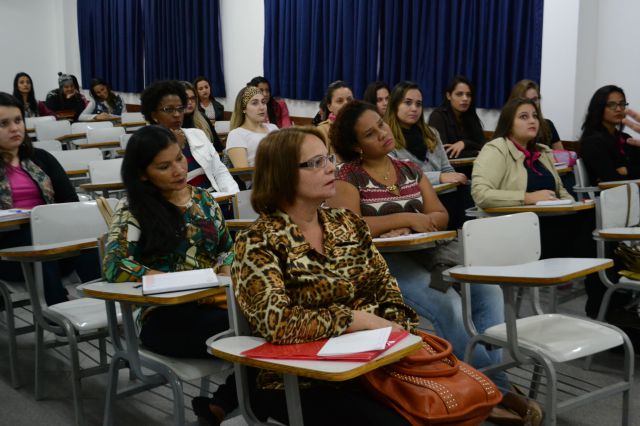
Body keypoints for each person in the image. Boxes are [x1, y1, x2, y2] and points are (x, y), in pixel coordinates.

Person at [327, 100, 540, 425]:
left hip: (431, 256)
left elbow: (439, 214)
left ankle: (487, 383)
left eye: (381, 124)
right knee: (448, 306)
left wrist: (419, 223)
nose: (382, 133)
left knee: (488, 292)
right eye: (370, 133)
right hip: (385, 265)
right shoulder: (348, 176)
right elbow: (351, 225)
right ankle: (498, 390)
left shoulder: (408, 168)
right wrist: (405, 219)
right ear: (356, 145)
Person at [230, 126, 420, 425]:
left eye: (328, 158)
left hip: (373, 362)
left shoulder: (347, 222)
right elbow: (277, 323)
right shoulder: (258, 241)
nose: (332, 168)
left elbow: (386, 286)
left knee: (441, 407)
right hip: (300, 380)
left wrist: (396, 328)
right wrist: (356, 320)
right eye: (316, 163)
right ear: (283, 174)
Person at [102, 125, 234, 358]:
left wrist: (226, 270)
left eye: (180, 158)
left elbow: (227, 248)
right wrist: (176, 282)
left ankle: (240, 382)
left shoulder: (203, 199)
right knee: (237, 327)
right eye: (164, 167)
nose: (179, 170)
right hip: (162, 312)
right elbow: (115, 264)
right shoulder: (133, 209)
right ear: (143, 174)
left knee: (250, 320)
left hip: (211, 300)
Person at [0, 92, 99, 305]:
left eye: (18, 120)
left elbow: (70, 202)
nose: (14, 128)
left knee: (87, 235)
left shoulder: (42, 158)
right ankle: (56, 308)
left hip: (57, 245)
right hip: (8, 254)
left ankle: (104, 301)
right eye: (4, 124)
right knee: (34, 235)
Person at [386, 81, 471, 229]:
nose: (414, 108)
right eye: (408, 103)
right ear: (395, 105)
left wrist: (455, 178)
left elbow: (446, 169)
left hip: (445, 195)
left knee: (468, 191)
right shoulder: (386, 138)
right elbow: (399, 179)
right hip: (415, 200)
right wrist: (439, 177)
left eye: (418, 104)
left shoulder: (431, 133)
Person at [139, 80, 238, 197]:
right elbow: (164, 189)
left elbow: (220, 171)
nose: (177, 114)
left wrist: (233, 196)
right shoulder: (147, 146)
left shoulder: (197, 134)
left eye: (180, 108)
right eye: (169, 109)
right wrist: (175, 146)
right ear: (154, 115)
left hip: (216, 199)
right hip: (183, 204)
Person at [580, 85, 640, 184]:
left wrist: (627, 170)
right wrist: (634, 171)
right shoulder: (592, 142)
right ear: (599, 108)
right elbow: (611, 179)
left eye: (622, 104)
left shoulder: (626, 138)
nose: (619, 109)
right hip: (610, 192)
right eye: (611, 105)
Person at [428, 75, 485, 159]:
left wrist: (464, 143)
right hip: (449, 166)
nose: (465, 98)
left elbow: (483, 146)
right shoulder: (438, 116)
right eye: (459, 94)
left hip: (473, 164)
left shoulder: (471, 115)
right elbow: (445, 152)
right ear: (449, 96)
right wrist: (475, 152)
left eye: (468, 95)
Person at [225, 86, 278, 169]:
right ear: (244, 108)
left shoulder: (273, 128)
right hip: (260, 177)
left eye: (263, 102)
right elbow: (243, 173)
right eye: (255, 103)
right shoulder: (237, 134)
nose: (262, 107)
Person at [506, 79, 562, 150]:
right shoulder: (509, 125)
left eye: (535, 99)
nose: (531, 103)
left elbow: (561, 154)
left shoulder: (547, 125)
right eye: (526, 99)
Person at [181, 81, 224, 153]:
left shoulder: (202, 118)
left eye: (192, 98)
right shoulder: (174, 123)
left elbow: (217, 146)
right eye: (185, 99)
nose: (190, 102)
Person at [315, 80, 353, 148]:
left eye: (349, 99)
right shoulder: (321, 131)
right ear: (329, 107)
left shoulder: (360, 126)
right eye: (339, 101)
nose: (346, 104)